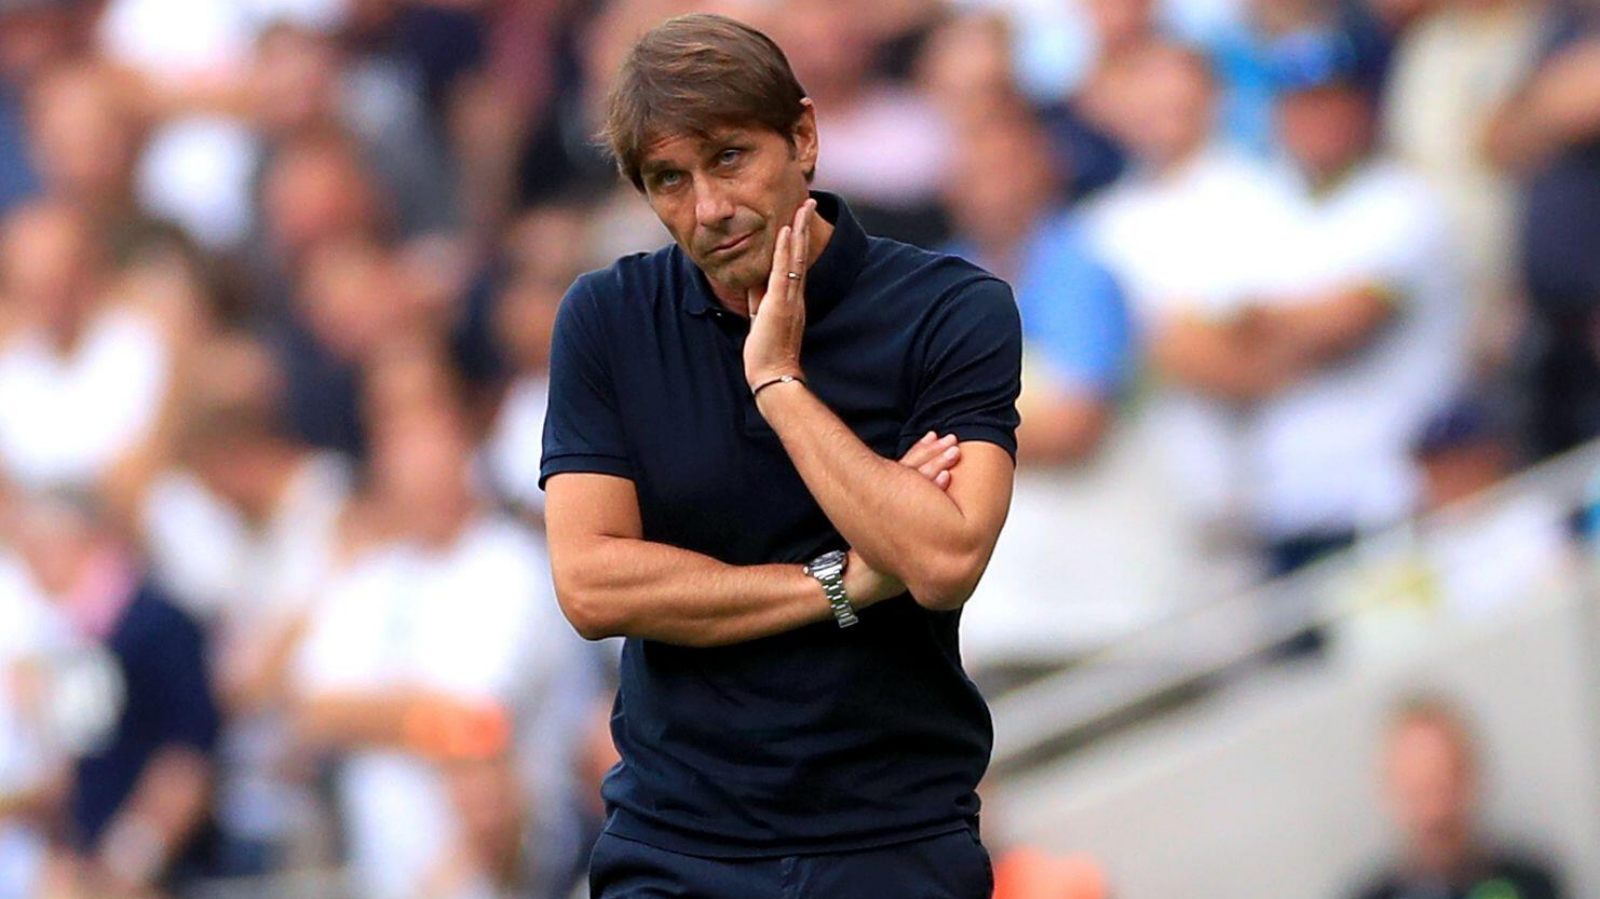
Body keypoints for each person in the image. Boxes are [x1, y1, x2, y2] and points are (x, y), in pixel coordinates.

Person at [540, 13, 1021, 898]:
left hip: (892, 835)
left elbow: (947, 557)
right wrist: (837, 582)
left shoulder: (951, 310)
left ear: (803, 134)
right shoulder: (606, 318)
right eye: (669, 180)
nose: (708, 208)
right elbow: (591, 583)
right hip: (674, 842)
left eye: (729, 158)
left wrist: (779, 383)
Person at [1349, 696, 1564, 899]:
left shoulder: (1532, 884)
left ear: (1471, 776)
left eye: (1442, 784)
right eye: (1417, 792)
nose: (1434, 813)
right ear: (1389, 790)